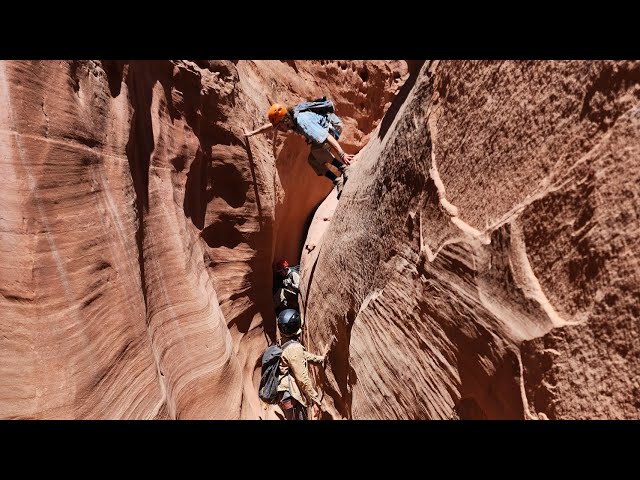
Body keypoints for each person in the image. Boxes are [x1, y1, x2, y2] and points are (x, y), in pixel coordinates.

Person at [244, 99, 355, 197]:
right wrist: (252, 133)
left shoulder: (302, 122)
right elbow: (269, 127)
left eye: (279, 126)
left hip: (333, 126)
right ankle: (337, 181)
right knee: (312, 160)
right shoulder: (291, 120)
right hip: (325, 128)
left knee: (317, 149)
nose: (279, 129)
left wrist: (342, 154)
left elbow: (327, 137)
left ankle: (344, 168)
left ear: (285, 120)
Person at [276, 309, 329, 420]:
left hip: (284, 394)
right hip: (292, 396)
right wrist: (315, 400)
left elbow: (303, 355)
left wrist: (321, 359)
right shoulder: (294, 348)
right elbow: (303, 379)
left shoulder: (282, 343)